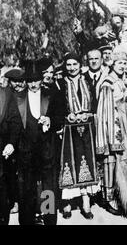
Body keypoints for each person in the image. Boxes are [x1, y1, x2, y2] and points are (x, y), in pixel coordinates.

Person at [49, 53, 99, 220]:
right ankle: (67, 204)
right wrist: (64, 118)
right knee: (69, 164)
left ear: (80, 64)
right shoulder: (61, 83)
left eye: (74, 64)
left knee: (87, 163)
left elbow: (95, 103)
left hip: (87, 129)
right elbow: (56, 108)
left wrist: (90, 114)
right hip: (69, 130)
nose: (71, 68)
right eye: (68, 65)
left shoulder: (88, 81)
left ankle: (86, 203)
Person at [96, 47, 127, 220]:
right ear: (112, 64)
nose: (123, 65)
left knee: (125, 160)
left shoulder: (122, 81)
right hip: (114, 124)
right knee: (113, 160)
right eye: (119, 63)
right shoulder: (108, 82)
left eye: (125, 62)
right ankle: (110, 199)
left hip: (125, 123)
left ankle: (124, 197)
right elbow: (105, 110)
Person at [15, 61, 58, 225]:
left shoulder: (52, 94)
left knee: (49, 187)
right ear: (26, 81)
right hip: (26, 151)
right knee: (27, 188)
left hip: (47, 149)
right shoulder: (18, 97)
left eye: (36, 80)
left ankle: (49, 220)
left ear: (42, 79)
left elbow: (61, 117)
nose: (33, 84)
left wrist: (51, 120)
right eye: (30, 81)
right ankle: (27, 220)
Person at [0, 82, 21, 225]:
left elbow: (15, 120)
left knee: (2, 185)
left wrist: (11, 143)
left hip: (2, 149)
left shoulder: (6, 94)